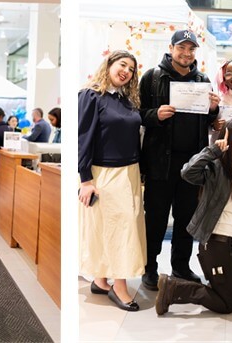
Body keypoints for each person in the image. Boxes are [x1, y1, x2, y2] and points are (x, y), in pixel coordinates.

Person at [155, 120, 232, 315]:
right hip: (215, 242)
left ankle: (227, 282)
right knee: (229, 304)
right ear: (226, 141)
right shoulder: (215, 168)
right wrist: (212, 151)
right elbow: (187, 173)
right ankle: (174, 288)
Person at [139, 29, 220, 290]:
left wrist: (213, 110)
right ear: (171, 48)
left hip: (192, 166)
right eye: (181, 48)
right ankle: (149, 268)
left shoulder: (202, 79)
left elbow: (207, 122)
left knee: (186, 219)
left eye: (191, 49)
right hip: (160, 164)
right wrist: (155, 114)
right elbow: (138, 114)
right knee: (155, 218)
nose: (186, 53)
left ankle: (181, 267)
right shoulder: (152, 77)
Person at [78, 50, 146, 311]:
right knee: (120, 229)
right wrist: (85, 180)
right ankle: (120, 286)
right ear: (109, 65)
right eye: (122, 65)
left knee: (118, 227)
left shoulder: (127, 101)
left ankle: (100, 280)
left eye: (131, 68)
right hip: (104, 174)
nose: (126, 71)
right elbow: (82, 137)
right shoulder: (91, 95)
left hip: (129, 172)